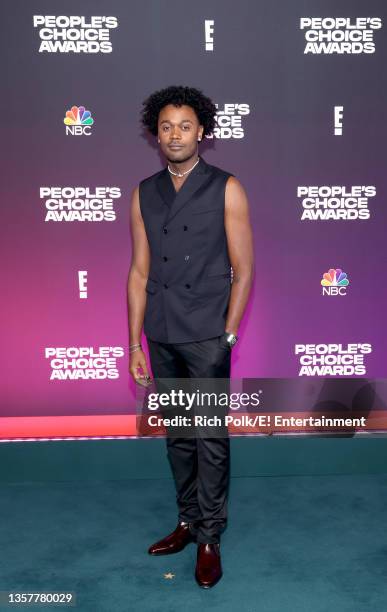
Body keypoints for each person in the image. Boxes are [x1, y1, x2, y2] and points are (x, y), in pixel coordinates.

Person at [127, 85, 254, 588]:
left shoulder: (227, 187)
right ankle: (185, 521)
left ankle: (209, 536)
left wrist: (226, 335)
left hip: (205, 336)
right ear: (155, 134)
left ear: (202, 131)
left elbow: (243, 271)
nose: (174, 134)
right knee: (178, 436)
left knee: (209, 438)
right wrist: (134, 341)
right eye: (165, 126)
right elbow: (138, 272)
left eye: (184, 125)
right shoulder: (142, 192)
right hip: (160, 333)